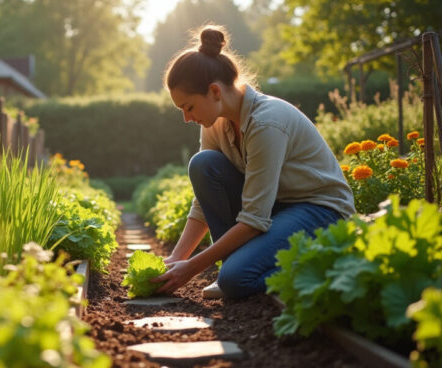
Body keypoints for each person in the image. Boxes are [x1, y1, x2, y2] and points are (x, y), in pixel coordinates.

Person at [150, 25, 355, 299]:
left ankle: (326, 262)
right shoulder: (213, 120)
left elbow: (254, 219)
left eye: (188, 107)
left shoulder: (266, 123)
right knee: (204, 164)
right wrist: (177, 260)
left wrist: (192, 269)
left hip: (319, 211)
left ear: (214, 91)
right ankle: (240, 265)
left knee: (236, 280)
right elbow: (205, 201)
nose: (187, 118)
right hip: (276, 210)